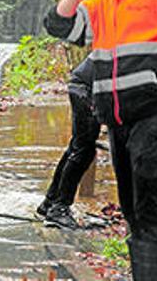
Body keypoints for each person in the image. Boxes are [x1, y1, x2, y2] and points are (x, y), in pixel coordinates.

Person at [44, 0, 157, 280]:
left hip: (153, 114)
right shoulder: (101, 5)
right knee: (131, 209)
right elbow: (57, 25)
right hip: (117, 121)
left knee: (146, 205)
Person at [36, 55, 100, 230]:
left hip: (83, 85)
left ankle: (50, 202)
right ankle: (59, 209)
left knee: (78, 146)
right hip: (87, 88)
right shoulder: (141, 42)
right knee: (84, 150)